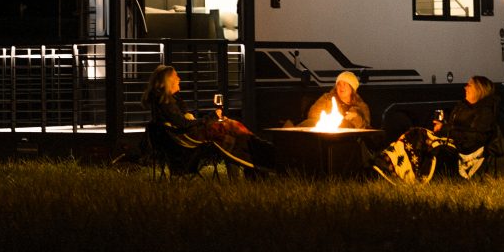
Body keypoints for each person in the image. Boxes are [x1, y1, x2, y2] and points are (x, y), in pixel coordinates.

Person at [373, 75, 504, 183]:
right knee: (415, 133)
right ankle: (389, 161)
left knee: (419, 136)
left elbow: (474, 138)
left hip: (464, 149)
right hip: (452, 140)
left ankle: (396, 167)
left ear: (479, 89)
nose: (465, 87)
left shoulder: (485, 112)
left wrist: (445, 129)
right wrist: (443, 126)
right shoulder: (463, 106)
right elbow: (455, 127)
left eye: (469, 85)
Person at [141, 64, 273, 169]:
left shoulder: (168, 100)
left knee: (230, 131)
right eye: (176, 76)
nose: (179, 79)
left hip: (188, 135)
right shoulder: (165, 103)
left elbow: (183, 118)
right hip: (188, 138)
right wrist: (211, 117)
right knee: (231, 128)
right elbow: (184, 124)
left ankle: (257, 154)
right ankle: (262, 152)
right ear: (168, 81)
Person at [298, 71, 371, 129]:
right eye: (339, 84)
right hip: (325, 133)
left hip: (348, 138)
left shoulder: (361, 106)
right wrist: (328, 120)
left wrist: (356, 117)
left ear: (352, 88)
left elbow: (366, 127)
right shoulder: (327, 98)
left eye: (345, 84)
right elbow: (312, 114)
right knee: (307, 124)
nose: (341, 87)